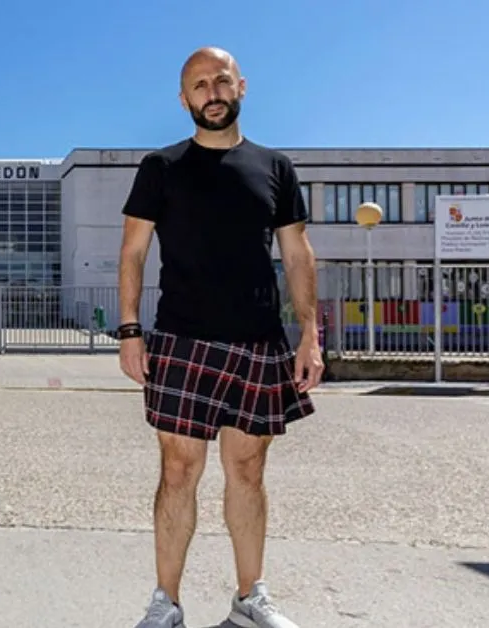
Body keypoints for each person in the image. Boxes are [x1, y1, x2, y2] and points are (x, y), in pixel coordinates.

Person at [116, 47, 321, 628]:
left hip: (258, 339)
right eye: (199, 85)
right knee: (178, 471)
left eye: (220, 81)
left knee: (249, 470)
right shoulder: (161, 167)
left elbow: (297, 252)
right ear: (184, 100)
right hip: (181, 338)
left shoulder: (275, 168)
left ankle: (249, 597)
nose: (212, 92)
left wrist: (310, 334)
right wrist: (130, 330)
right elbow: (133, 251)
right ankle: (166, 603)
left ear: (241, 87)